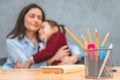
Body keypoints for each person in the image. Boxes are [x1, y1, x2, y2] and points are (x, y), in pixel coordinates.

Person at [2, 3, 83, 69]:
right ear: (23, 18)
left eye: (39, 18)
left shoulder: (45, 37)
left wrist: (73, 58)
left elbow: (72, 48)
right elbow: (26, 66)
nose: (36, 20)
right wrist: (53, 58)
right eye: (32, 16)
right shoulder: (12, 41)